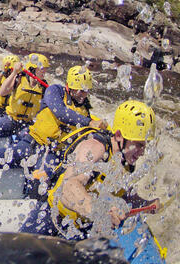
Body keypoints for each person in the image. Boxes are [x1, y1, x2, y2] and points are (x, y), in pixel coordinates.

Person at [20, 100, 161, 240]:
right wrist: (99, 212)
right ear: (118, 135)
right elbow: (69, 187)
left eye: (144, 146)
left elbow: (123, 194)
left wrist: (146, 204)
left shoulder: (125, 160)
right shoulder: (95, 148)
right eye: (138, 145)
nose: (142, 152)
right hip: (51, 219)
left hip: (81, 229)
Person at [0, 65, 108, 200]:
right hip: (30, 143)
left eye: (86, 91)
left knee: (39, 180)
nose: (83, 94)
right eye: (80, 90)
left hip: (53, 153)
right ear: (70, 85)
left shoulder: (86, 112)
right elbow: (61, 112)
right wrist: (89, 122)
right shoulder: (55, 91)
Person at [0, 54, 49, 152]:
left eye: (45, 70)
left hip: (26, 124)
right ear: (33, 69)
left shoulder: (44, 87)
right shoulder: (19, 79)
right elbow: (2, 92)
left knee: (22, 146)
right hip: (10, 120)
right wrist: (14, 72)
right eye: (42, 69)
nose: (44, 72)